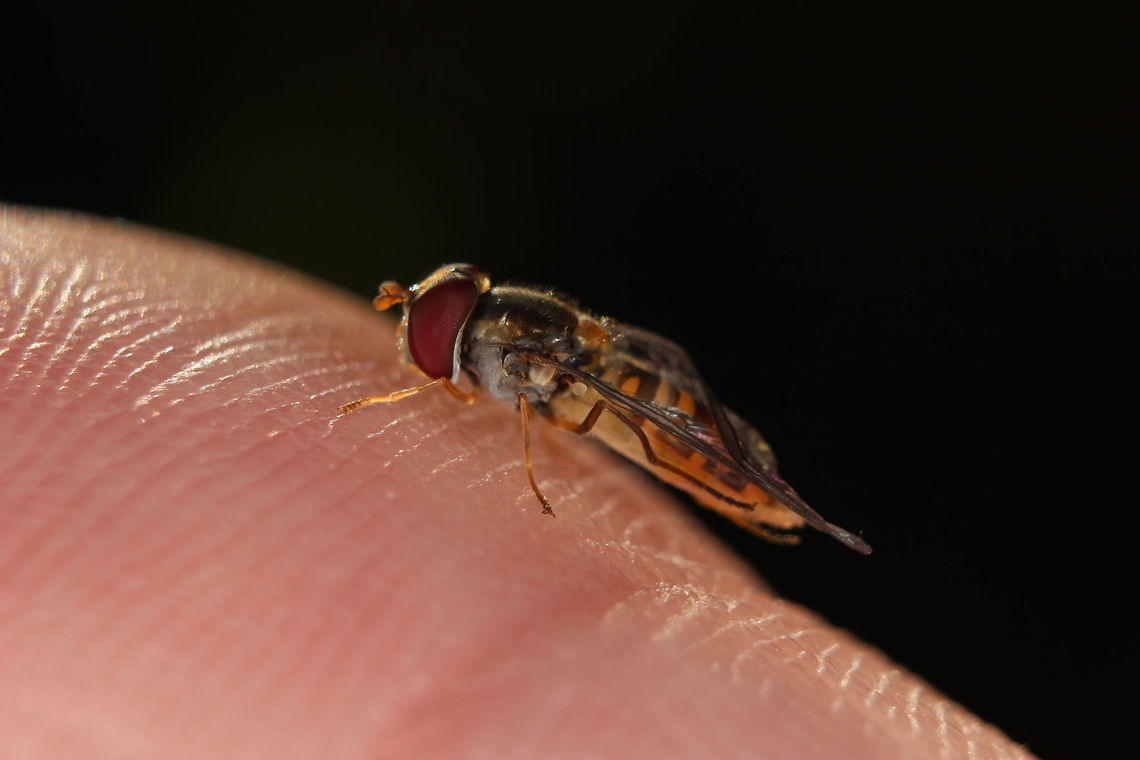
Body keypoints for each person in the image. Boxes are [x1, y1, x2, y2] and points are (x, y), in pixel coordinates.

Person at [0, 207, 1033, 758]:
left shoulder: (522, 363)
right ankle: (778, 496)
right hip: (611, 382)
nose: (423, 324)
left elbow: (578, 401)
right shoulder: (505, 341)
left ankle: (783, 502)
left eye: (433, 322)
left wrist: (537, 466)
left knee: (663, 434)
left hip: (630, 402)